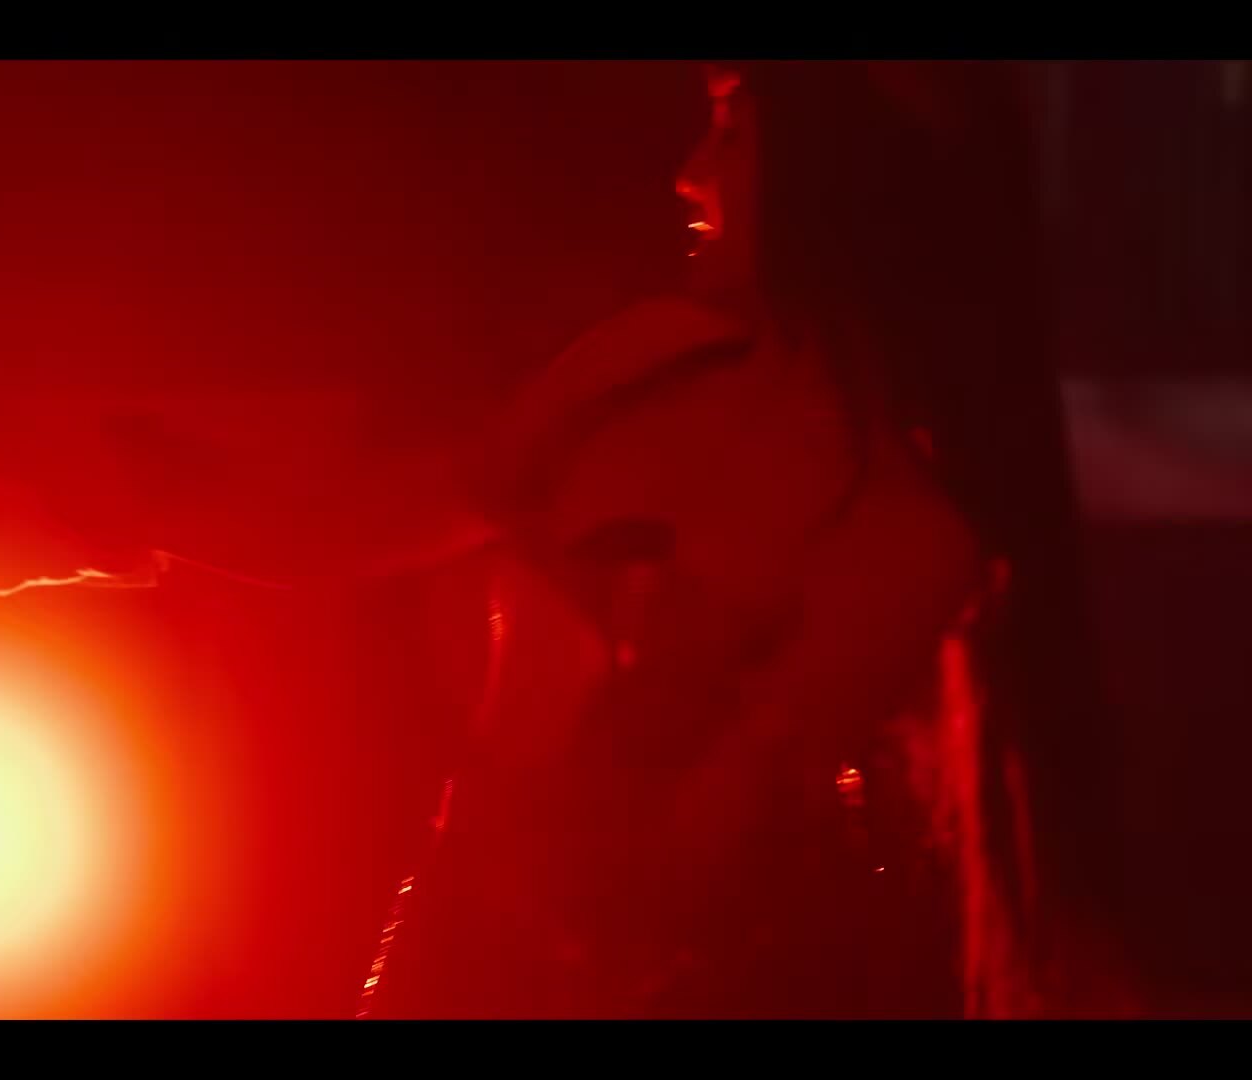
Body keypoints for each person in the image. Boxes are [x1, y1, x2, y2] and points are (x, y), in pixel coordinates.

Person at [352, 61, 1115, 1018]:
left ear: (828, 169)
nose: (689, 176)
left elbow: (692, 868)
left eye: (735, 133)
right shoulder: (649, 373)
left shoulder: (908, 544)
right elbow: (360, 518)